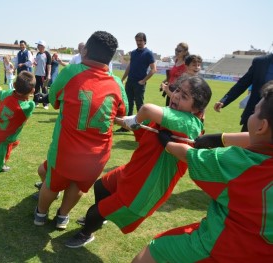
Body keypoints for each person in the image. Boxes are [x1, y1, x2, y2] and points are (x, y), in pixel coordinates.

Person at [132, 80, 273, 263]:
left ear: (261, 126)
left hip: (222, 247)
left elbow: (189, 155)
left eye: (254, 112)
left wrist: (167, 143)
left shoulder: (237, 162)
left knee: (151, 252)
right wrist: (220, 138)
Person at [65, 75, 212, 248]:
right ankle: (101, 217)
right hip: (132, 172)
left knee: (93, 214)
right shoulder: (168, 117)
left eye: (185, 96)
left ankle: (86, 233)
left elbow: (147, 110)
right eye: (178, 90)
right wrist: (109, 116)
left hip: (145, 188)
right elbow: (135, 123)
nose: (176, 96)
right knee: (101, 187)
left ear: (196, 109)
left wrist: (135, 119)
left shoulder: (190, 123)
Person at [33, 31, 128, 230]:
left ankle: (40, 214)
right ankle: (62, 216)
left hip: (66, 149)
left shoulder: (72, 71)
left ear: (86, 50)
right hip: (97, 155)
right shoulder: (117, 83)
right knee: (77, 186)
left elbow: (54, 100)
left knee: (51, 183)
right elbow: (122, 112)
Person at [214, 53, 273, 132]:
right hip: (255, 117)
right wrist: (224, 100)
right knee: (246, 143)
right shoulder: (260, 62)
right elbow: (242, 84)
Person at [117, 32, 157, 132]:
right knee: (128, 104)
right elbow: (129, 66)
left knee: (140, 105)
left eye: (140, 41)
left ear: (145, 41)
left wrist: (143, 81)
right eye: (137, 40)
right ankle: (126, 127)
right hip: (130, 82)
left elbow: (153, 69)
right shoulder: (133, 53)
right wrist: (123, 78)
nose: (138, 42)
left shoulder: (148, 53)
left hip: (139, 84)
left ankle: (140, 128)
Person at [33, 40, 52, 109]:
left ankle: (45, 103)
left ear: (43, 46)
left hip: (43, 75)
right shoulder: (38, 54)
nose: (38, 47)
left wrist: (49, 74)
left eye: (39, 45)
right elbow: (37, 63)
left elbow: (49, 65)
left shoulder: (47, 54)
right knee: (36, 88)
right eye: (37, 45)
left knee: (44, 89)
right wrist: (35, 63)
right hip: (37, 74)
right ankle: (36, 102)